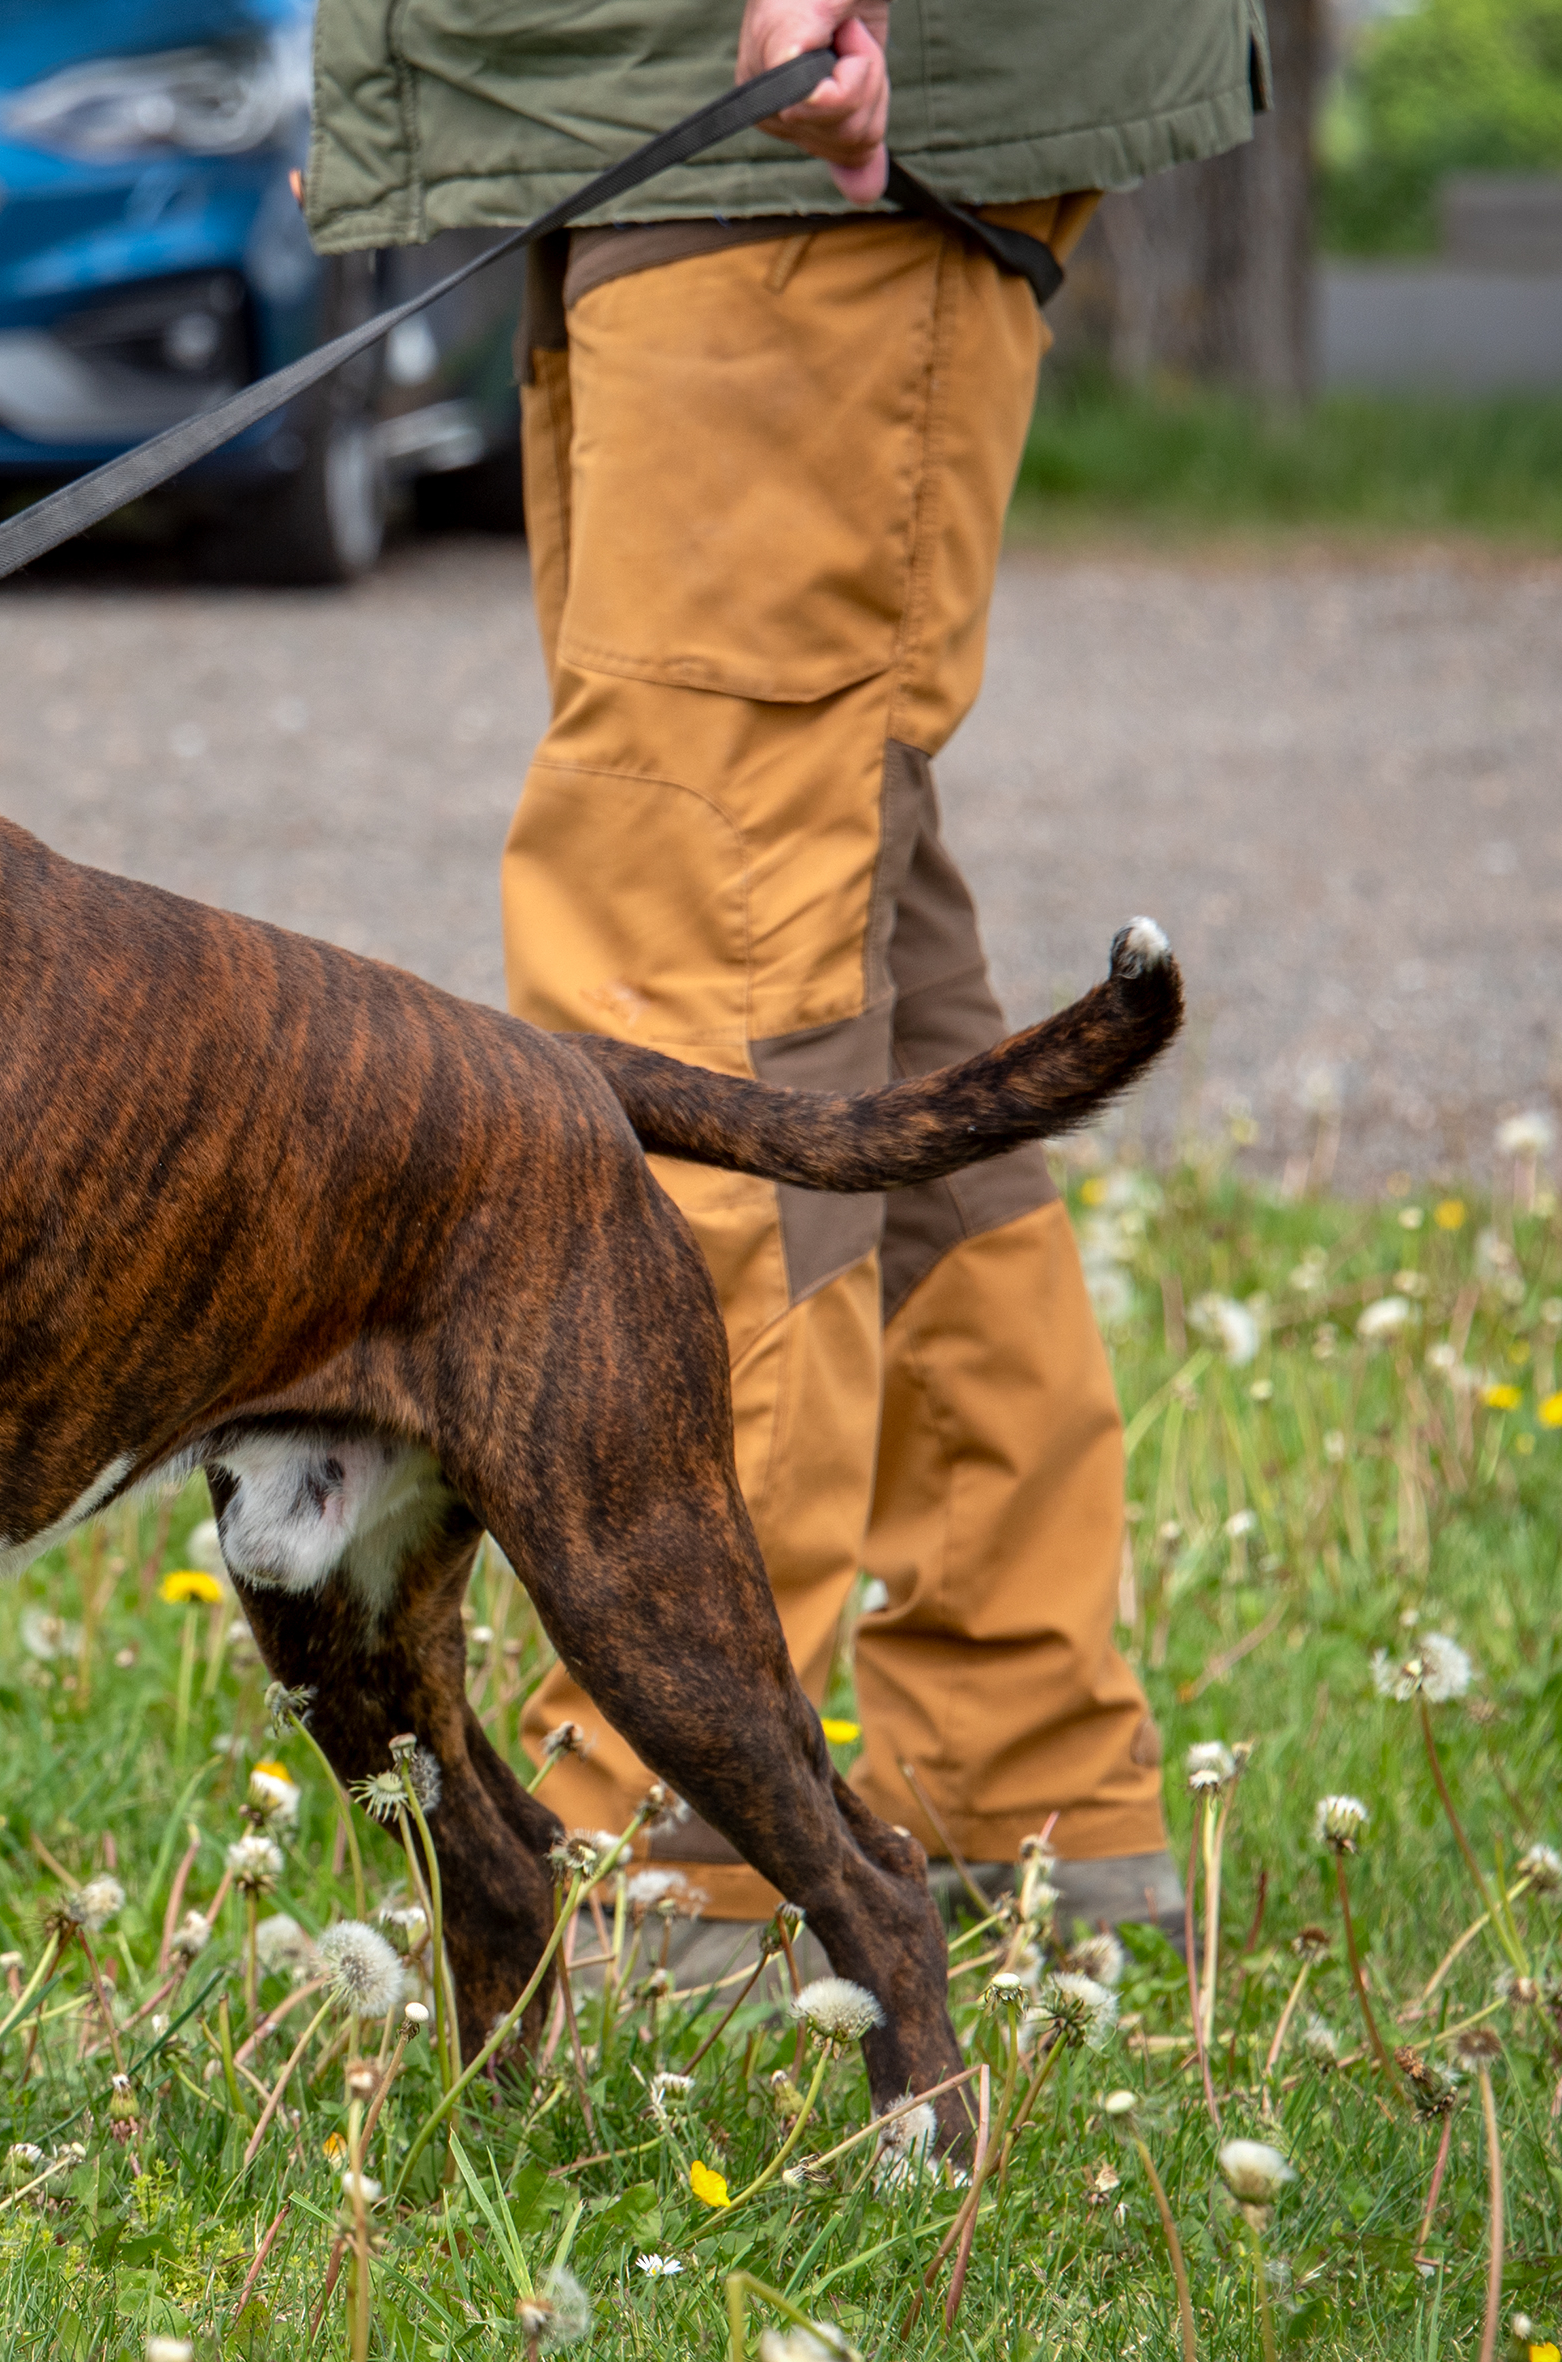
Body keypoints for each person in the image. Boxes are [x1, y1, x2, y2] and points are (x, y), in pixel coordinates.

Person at [304, 0, 1269, 1973]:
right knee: (850, 999)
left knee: (693, 976)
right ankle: (1014, 1765)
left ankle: (669, 1845)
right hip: (666, 97)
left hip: (785, 107)